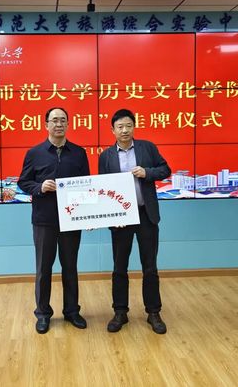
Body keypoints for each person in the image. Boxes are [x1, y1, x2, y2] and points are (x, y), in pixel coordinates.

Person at [98, 108, 171, 334]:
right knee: (119, 267)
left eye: (128, 125)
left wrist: (147, 173)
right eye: (120, 127)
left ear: (134, 127)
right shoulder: (106, 156)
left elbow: (165, 170)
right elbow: (103, 189)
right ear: (112, 130)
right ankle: (120, 312)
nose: (124, 130)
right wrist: (112, 215)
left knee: (150, 266)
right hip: (121, 219)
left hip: (146, 214)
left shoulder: (147, 148)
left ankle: (153, 312)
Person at [18, 107, 90, 334]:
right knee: (43, 268)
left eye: (63, 120)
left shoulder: (79, 153)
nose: (59, 124)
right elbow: (23, 182)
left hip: (72, 219)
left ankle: (72, 311)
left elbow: (87, 185)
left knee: (70, 267)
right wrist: (40, 187)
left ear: (68, 124)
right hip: (44, 220)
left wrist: (87, 215)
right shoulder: (34, 153)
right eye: (54, 120)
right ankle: (43, 314)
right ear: (46, 124)